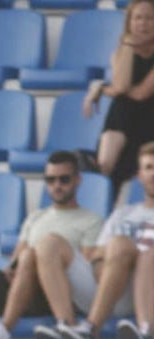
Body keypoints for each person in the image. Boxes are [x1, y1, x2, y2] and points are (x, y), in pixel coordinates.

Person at [0, 152, 104, 339]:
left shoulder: (91, 220)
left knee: (32, 254)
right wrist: (13, 267)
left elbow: (85, 270)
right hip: (22, 288)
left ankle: (4, 330)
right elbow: (17, 257)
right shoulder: (35, 217)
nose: (57, 185)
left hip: (55, 294)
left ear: (78, 180)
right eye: (50, 180)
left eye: (64, 179)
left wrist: (32, 261)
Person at [31, 143, 152, 339]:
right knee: (49, 243)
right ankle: (66, 326)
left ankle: (106, 328)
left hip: (145, 293)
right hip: (110, 284)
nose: (153, 174)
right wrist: (116, 258)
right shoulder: (123, 214)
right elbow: (97, 255)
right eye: (148, 168)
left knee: (136, 250)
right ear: (139, 175)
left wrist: (127, 254)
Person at [84, 0, 154, 198]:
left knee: (123, 104)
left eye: (149, 18)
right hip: (126, 126)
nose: (143, 23)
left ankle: (102, 167)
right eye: (138, 18)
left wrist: (102, 88)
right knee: (122, 107)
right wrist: (129, 46)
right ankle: (104, 166)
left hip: (150, 122)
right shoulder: (121, 52)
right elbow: (123, 85)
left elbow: (140, 93)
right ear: (129, 22)